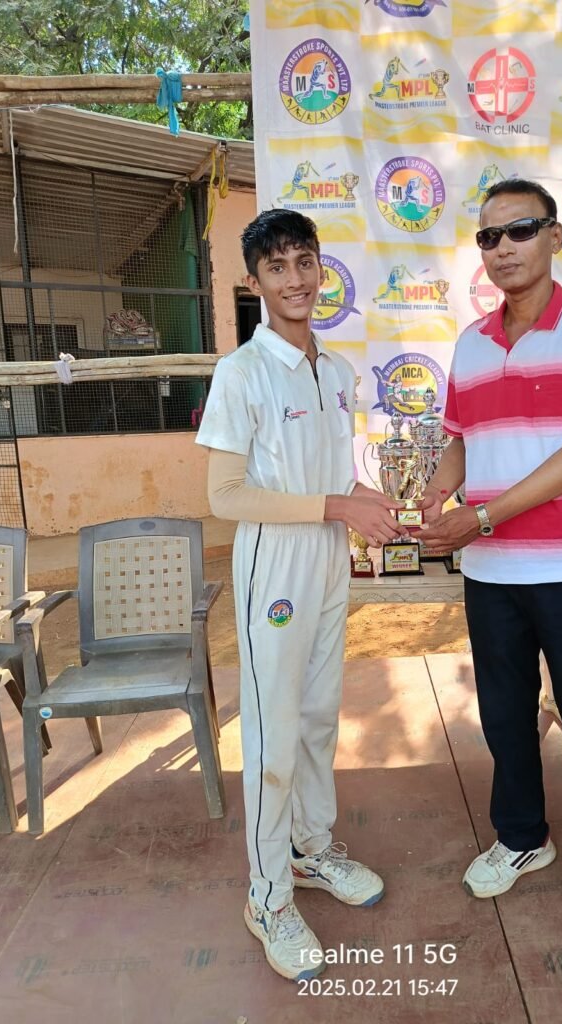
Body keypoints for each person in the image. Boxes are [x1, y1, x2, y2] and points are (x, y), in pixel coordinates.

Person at [419, 178, 562, 957]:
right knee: (505, 719)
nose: (503, 248)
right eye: (489, 236)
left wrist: (479, 517)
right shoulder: (471, 342)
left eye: (520, 230)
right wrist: (436, 491)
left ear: (555, 237)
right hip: (491, 575)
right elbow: (461, 439)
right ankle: (522, 837)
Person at [195, 209, 407, 982]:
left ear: (321, 268)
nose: (296, 279)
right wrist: (336, 506)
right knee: (273, 732)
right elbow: (225, 495)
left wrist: (366, 499)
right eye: (277, 267)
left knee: (318, 716)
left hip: (326, 557)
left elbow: (331, 474)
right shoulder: (241, 373)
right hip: (274, 567)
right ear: (254, 281)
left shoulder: (337, 371)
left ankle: (311, 851)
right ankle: (267, 896)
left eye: (305, 262)